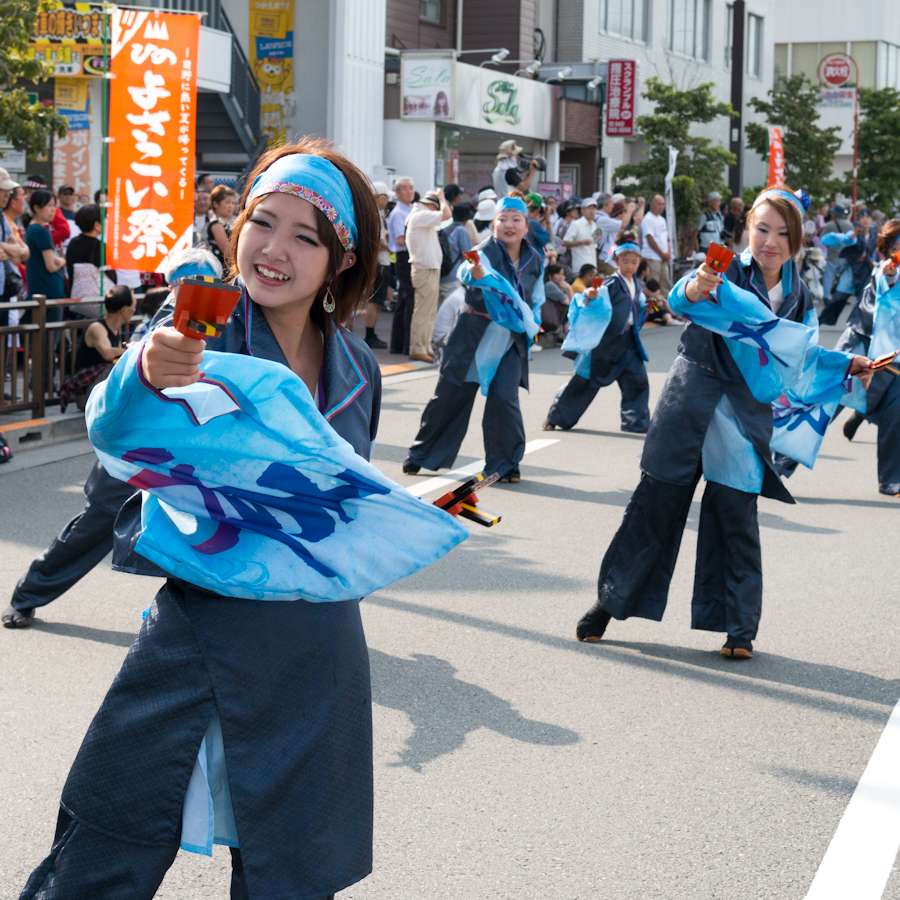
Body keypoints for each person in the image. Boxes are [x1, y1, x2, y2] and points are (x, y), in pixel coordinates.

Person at [14, 138, 465, 900]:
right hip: (199, 632)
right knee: (104, 851)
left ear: (341, 260)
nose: (274, 249)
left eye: (305, 235)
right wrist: (147, 370)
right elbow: (119, 422)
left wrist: (423, 512)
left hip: (316, 645)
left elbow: (341, 494)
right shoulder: (200, 330)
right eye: (262, 222)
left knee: (292, 872)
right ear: (234, 229)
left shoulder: (357, 368)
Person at [574, 187, 874, 659]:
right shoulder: (723, 268)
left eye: (782, 233)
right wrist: (697, 285)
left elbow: (801, 356)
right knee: (656, 504)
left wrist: (845, 364)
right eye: (762, 229)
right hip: (691, 396)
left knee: (736, 515)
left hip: (742, 413)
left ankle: (738, 628)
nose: (770, 241)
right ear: (746, 229)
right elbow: (683, 296)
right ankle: (608, 604)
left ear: (797, 241)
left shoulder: (798, 295)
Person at [403, 196, 544, 483]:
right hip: (473, 334)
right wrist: (477, 272)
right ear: (493, 223)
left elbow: (536, 297)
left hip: (509, 340)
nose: (509, 225)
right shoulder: (481, 251)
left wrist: (535, 322)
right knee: (449, 397)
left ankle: (505, 465)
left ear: (526, 226)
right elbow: (468, 270)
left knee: (505, 399)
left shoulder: (534, 258)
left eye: (516, 219)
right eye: (502, 219)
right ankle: (422, 454)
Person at [543, 234, 650, 433]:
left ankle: (636, 422)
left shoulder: (637, 285)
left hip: (628, 341)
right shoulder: (610, 283)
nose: (630, 266)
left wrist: (647, 308)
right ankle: (557, 417)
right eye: (625, 261)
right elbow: (594, 296)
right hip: (606, 343)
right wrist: (590, 296)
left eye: (634, 262)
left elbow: (638, 307)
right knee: (585, 381)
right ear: (616, 261)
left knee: (637, 379)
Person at [837, 219, 900, 498]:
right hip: (862, 347)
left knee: (896, 411)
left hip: (892, 358)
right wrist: (889, 276)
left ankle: (892, 480)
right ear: (887, 251)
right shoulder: (881, 273)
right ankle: (779, 461)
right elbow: (875, 310)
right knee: (827, 403)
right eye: (897, 248)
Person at [58, 284, 135, 412]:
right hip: (87, 395)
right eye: (134, 305)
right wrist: (131, 349)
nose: (135, 309)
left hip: (99, 391)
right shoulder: (97, 328)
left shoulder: (116, 329)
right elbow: (107, 353)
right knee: (119, 366)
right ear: (124, 309)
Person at [406, 187, 451, 362]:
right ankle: (417, 347)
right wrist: (442, 198)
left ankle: (424, 346)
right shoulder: (420, 215)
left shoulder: (421, 216)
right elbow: (446, 215)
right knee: (423, 311)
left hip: (428, 268)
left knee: (429, 311)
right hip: (424, 268)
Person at [818, 209, 876, 326]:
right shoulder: (854, 232)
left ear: (871, 220)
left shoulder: (875, 234)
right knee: (839, 297)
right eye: (862, 217)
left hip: (866, 270)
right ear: (859, 220)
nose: (865, 220)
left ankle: (855, 324)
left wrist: (874, 258)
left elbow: (879, 249)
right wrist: (851, 237)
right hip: (851, 269)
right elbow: (847, 238)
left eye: (867, 217)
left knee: (863, 299)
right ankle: (822, 319)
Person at [388, 175, 416, 355]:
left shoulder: (412, 209)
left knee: (404, 302)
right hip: (404, 256)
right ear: (396, 192)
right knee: (409, 300)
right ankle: (406, 344)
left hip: (410, 256)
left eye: (411, 188)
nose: (409, 191)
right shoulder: (398, 212)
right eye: (404, 188)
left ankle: (398, 344)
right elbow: (399, 240)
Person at [25, 189, 66, 303]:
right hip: (49, 291)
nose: (53, 210)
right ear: (36, 208)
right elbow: (51, 266)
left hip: (37, 289)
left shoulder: (31, 228)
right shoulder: (42, 231)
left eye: (54, 205)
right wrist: (62, 261)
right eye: (49, 205)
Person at [364, 180, 391, 349]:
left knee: (376, 301)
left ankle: (370, 333)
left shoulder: (377, 215)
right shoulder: (374, 215)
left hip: (379, 262)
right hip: (378, 262)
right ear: (380, 197)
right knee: (374, 301)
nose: (387, 201)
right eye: (386, 197)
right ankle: (369, 334)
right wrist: (391, 248)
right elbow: (375, 242)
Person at [0, 169, 28, 327]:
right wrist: (10, 248)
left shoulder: (2, 218)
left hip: (4, 290)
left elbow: (20, 252)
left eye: (9, 191)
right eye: (3, 190)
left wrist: (5, 247)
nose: (7, 194)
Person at [439, 201, 474, 301]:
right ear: (466, 219)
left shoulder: (446, 228)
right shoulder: (461, 230)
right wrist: (478, 269)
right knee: (455, 310)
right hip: (453, 277)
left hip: (441, 275)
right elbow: (469, 254)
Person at [640, 194, 672, 295]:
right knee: (653, 284)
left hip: (663, 257)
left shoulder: (662, 219)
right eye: (659, 204)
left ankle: (666, 307)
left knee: (665, 284)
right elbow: (650, 239)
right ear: (651, 205)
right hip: (652, 256)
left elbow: (666, 238)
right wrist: (662, 254)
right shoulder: (648, 218)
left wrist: (668, 252)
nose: (661, 207)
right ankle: (654, 307)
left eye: (663, 204)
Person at [820, 203, 853, 301]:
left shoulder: (830, 225)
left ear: (835, 214)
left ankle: (826, 296)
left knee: (829, 276)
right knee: (844, 277)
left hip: (832, 254)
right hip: (845, 255)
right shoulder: (849, 224)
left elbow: (822, 237)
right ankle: (841, 297)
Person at [564, 196, 599, 274]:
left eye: (594, 208)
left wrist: (596, 265)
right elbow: (565, 242)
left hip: (593, 267)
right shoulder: (576, 224)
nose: (592, 211)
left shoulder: (594, 225)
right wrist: (582, 242)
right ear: (582, 211)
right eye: (589, 208)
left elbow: (594, 247)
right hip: (580, 267)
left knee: (595, 285)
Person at [207, 184, 236, 268]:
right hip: (222, 270)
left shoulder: (232, 222)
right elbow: (228, 253)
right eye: (227, 202)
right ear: (215, 204)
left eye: (233, 203)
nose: (231, 206)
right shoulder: (216, 224)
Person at [690, 191, 724, 255]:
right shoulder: (703, 216)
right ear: (709, 203)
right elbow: (695, 233)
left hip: (718, 248)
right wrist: (692, 249)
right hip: (706, 249)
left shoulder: (719, 215)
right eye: (716, 201)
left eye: (719, 201)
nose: (719, 204)